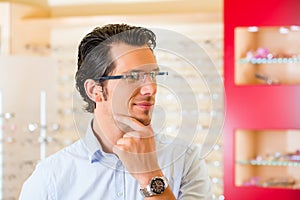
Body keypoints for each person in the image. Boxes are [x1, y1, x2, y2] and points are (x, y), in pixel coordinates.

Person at [19, 23, 212, 199]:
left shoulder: (185, 160)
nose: (150, 88)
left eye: (152, 74)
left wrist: (150, 175)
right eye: (133, 76)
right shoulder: (50, 179)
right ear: (95, 90)